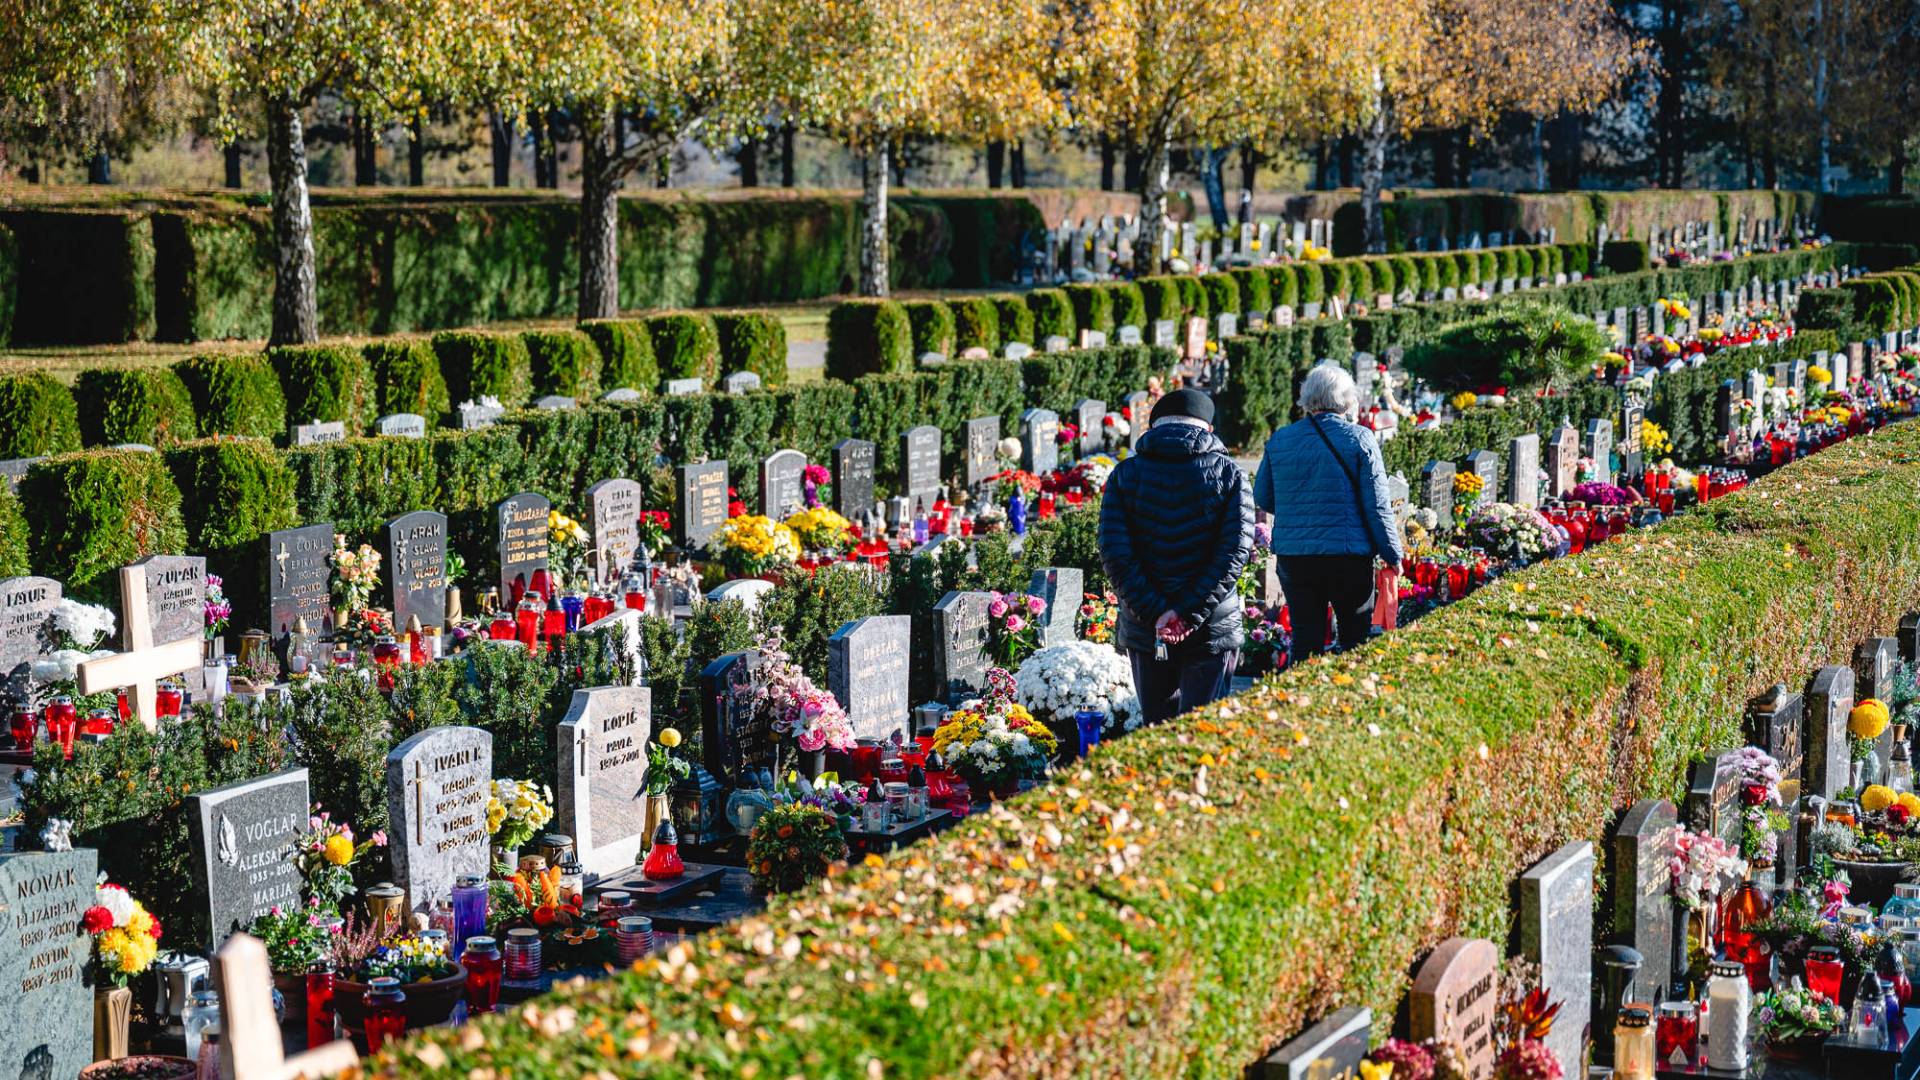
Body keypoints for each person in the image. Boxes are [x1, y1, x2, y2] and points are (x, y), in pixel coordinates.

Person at [1098, 388, 1254, 725]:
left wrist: (1159, 613)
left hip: (1146, 627)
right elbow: (1234, 552)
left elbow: (1115, 554)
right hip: (1212, 624)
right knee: (1202, 729)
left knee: (1157, 730)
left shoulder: (1125, 475)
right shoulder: (1231, 474)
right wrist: (1186, 611)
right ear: (1208, 429)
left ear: (1153, 427)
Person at [1253, 362, 1405, 665]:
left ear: (1306, 398)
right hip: (1347, 556)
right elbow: (1377, 505)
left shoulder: (1281, 439)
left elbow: (1264, 497)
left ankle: (1297, 703)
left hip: (1295, 556)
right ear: (1348, 400)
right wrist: (1393, 554)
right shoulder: (1360, 439)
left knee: (1305, 639)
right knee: (1354, 640)